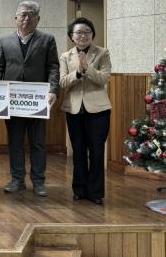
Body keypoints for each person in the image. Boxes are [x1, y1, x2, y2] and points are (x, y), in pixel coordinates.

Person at [0, 0, 59, 197]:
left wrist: (53, 89)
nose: (26, 18)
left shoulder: (47, 40)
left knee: (38, 143)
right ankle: (17, 179)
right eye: (23, 14)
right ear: (16, 18)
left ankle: (39, 182)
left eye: (31, 14)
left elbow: (53, 67)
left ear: (38, 19)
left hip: (38, 101)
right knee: (15, 142)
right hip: (11, 101)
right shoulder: (4, 41)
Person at [60, 17, 111, 205]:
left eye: (87, 32)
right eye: (79, 32)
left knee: (96, 151)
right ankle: (79, 189)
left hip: (99, 110)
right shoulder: (66, 56)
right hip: (74, 109)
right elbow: (62, 82)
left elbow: (103, 78)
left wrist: (87, 68)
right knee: (78, 151)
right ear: (72, 36)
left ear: (93, 34)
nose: (83, 35)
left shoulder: (102, 53)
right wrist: (78, 73)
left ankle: (95, 192)